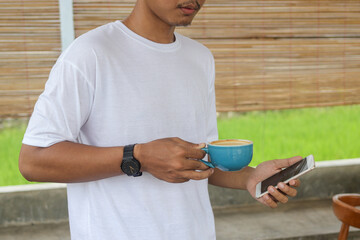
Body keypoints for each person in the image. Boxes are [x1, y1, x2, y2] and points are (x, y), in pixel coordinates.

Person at [19, 0, 302, 239]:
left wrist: (249, 177)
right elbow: (33, 160)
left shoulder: (199, 58)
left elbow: (199, 160)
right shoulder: (90, 53)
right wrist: (138, 156)